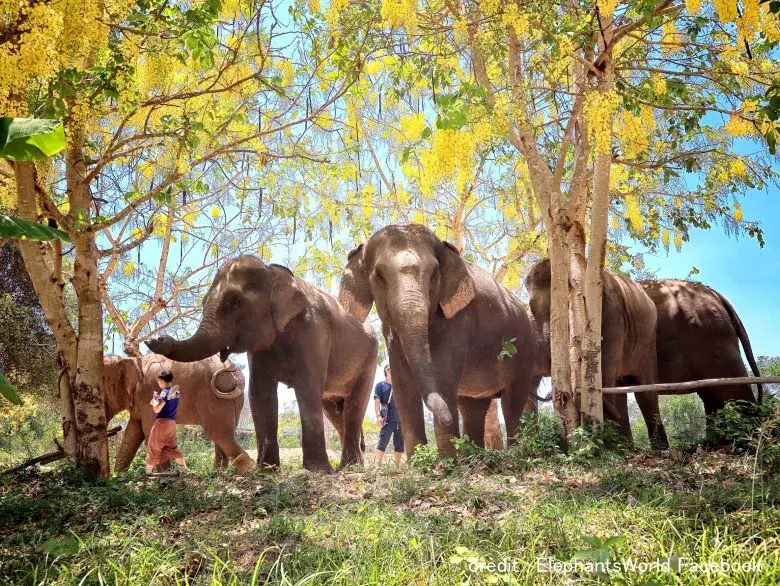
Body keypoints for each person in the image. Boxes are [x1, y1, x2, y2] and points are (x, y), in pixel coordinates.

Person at [145, 369, 187, 475]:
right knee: (172, 447)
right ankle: (183, 470)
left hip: (162, 423)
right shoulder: (175, 391)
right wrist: (155, 399)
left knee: (153, 446)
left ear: (162, 381)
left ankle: (148, 473)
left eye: (159, 381)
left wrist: (155, 403)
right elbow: (164, 403)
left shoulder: (165, 392)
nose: (159, 383)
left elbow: (157, 409)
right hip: (171, 424)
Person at [374, 364, 403, 468]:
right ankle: (378, 465)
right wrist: (378, 415)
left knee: (399, 443)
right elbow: (377, 401)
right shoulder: (380, 385)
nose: (391, 370)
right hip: (387, 418)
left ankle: (397, 467)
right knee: (383, 440)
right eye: (389, 368)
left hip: (400, 419)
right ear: (385, 371)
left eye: (392, 368)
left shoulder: (400, 386)